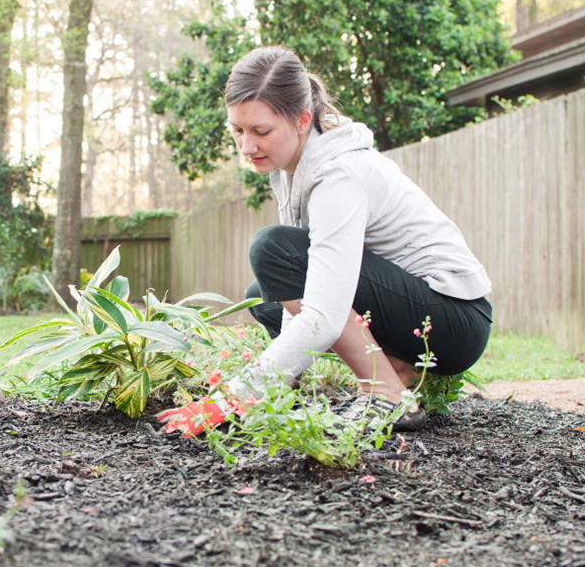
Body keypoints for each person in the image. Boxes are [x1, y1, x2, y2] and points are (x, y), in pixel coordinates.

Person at [157, 46, 493, 437]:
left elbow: (324, 314)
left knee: (272, 249)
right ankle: (395, 371)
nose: (246, 147)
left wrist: (232, 398)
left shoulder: (338, 176)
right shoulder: (294, 166)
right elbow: (303, 286)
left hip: (453, 320)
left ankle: (385, 392)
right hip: (419, 316)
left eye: (260, 132)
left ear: (302, 120)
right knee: (265, 295)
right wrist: (275, 384)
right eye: (237, 131)